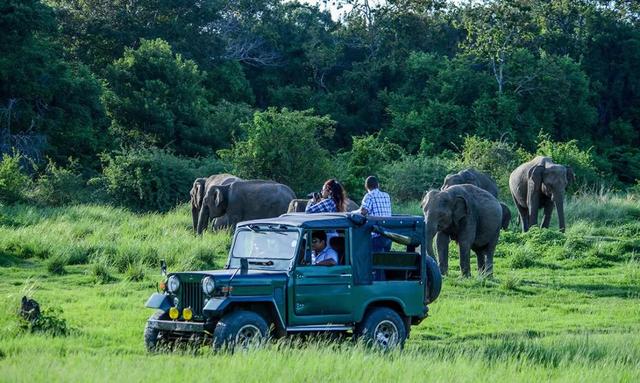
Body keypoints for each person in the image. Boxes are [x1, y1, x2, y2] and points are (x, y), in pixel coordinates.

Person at [357, 176, 392, 252]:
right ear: (378, 185)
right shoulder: (386, 195)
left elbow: (363, 212)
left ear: (366, 186)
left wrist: (353, 212)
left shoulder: (369, 196)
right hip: (389, 235)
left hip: (376, 235)